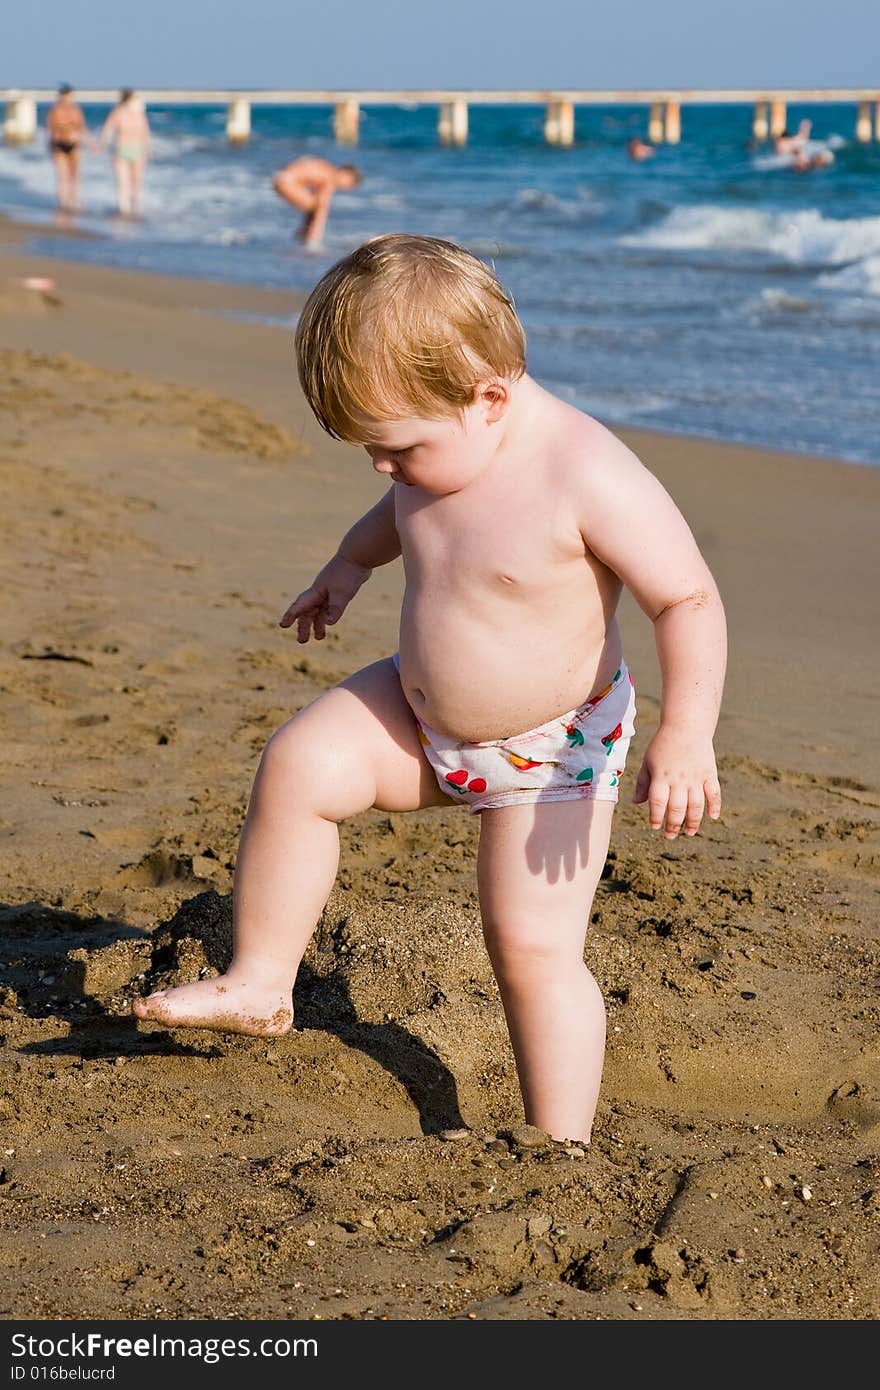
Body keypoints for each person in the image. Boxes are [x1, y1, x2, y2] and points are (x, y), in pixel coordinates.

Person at [133, 234, 727, 1146]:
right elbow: (396, 515)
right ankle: (260, 979)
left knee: (531, 949)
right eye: (370, 448)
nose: (384, 468)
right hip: (419, 719)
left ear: (491, 397)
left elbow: (684, 597)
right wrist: (347, 566)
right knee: (298, 765)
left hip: (551, 749)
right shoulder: (435, 450)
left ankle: (557, 1140)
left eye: (397, 447)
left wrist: (686, 733)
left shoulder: (585, 470)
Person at [271, 156, 362, 248]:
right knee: (317, 210)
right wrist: (316, 241)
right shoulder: (331, 176)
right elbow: (322, 206)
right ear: (346, 174)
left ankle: (304, 236)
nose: (346, 188)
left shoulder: (326, 168)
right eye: (349, 184)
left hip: (281, 176)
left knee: (312, 209)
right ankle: (310, 241)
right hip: (286, 181)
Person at [97, 89, 151, 217]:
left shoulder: (139, 114)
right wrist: (101, 145)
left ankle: (136, 208)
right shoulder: (117, 113)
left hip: (137, 150)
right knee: (123, 182)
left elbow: (146, 134)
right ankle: (123, 209)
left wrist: (147, 150)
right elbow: (107, 130)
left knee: (136, 181)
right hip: (121, 149)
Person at [45, 83, 87, 212]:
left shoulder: (75, 110)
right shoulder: (55, 110)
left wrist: (92, 144)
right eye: (66, 96)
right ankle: (63, 202)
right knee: (62, 175)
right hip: (59, 144)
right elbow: (49, 129)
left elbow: (82, 128)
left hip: (73, 144)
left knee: (74, 175)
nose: (68, 98)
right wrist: (50, 145)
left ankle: (73, 200)